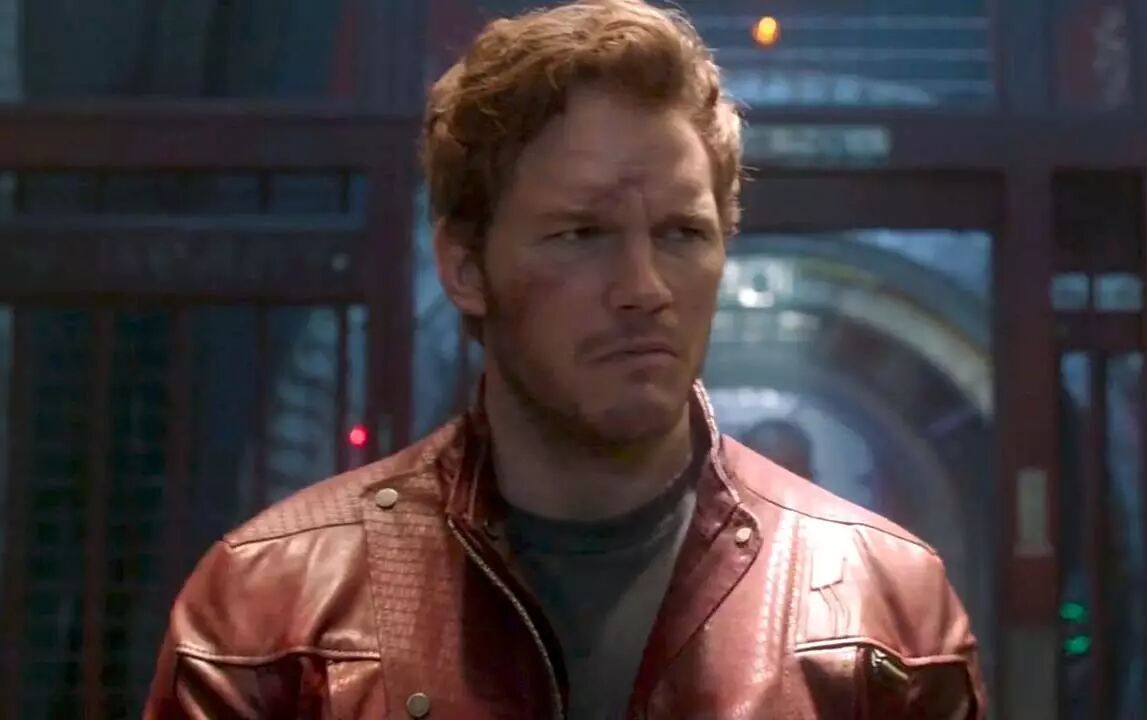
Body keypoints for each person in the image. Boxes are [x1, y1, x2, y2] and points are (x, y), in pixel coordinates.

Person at [145, 1, 985, 717]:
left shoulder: (880, 609)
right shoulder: (275, 612)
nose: (644, 288)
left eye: (682, 234)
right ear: (464, 266)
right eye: (582, 234)